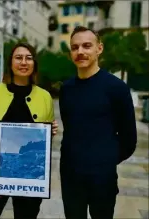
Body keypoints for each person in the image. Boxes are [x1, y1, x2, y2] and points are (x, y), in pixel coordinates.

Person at [0, 42, 58, 219]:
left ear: (34, 64)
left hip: (31, 177)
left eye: (29, 58)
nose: (23, 62)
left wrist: (49, 131)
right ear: (10, 63)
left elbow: (43, 139)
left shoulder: (45, 97)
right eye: (18, 58)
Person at [59, 26, 137, 219]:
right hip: (70, 176)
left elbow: (129, 140)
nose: (80, 52)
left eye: (86, 46)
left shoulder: (116, 88)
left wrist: (104, 160)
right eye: (75, 47)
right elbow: (70, 129)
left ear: (99, 49)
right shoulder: (67, 89)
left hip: (102, 178)